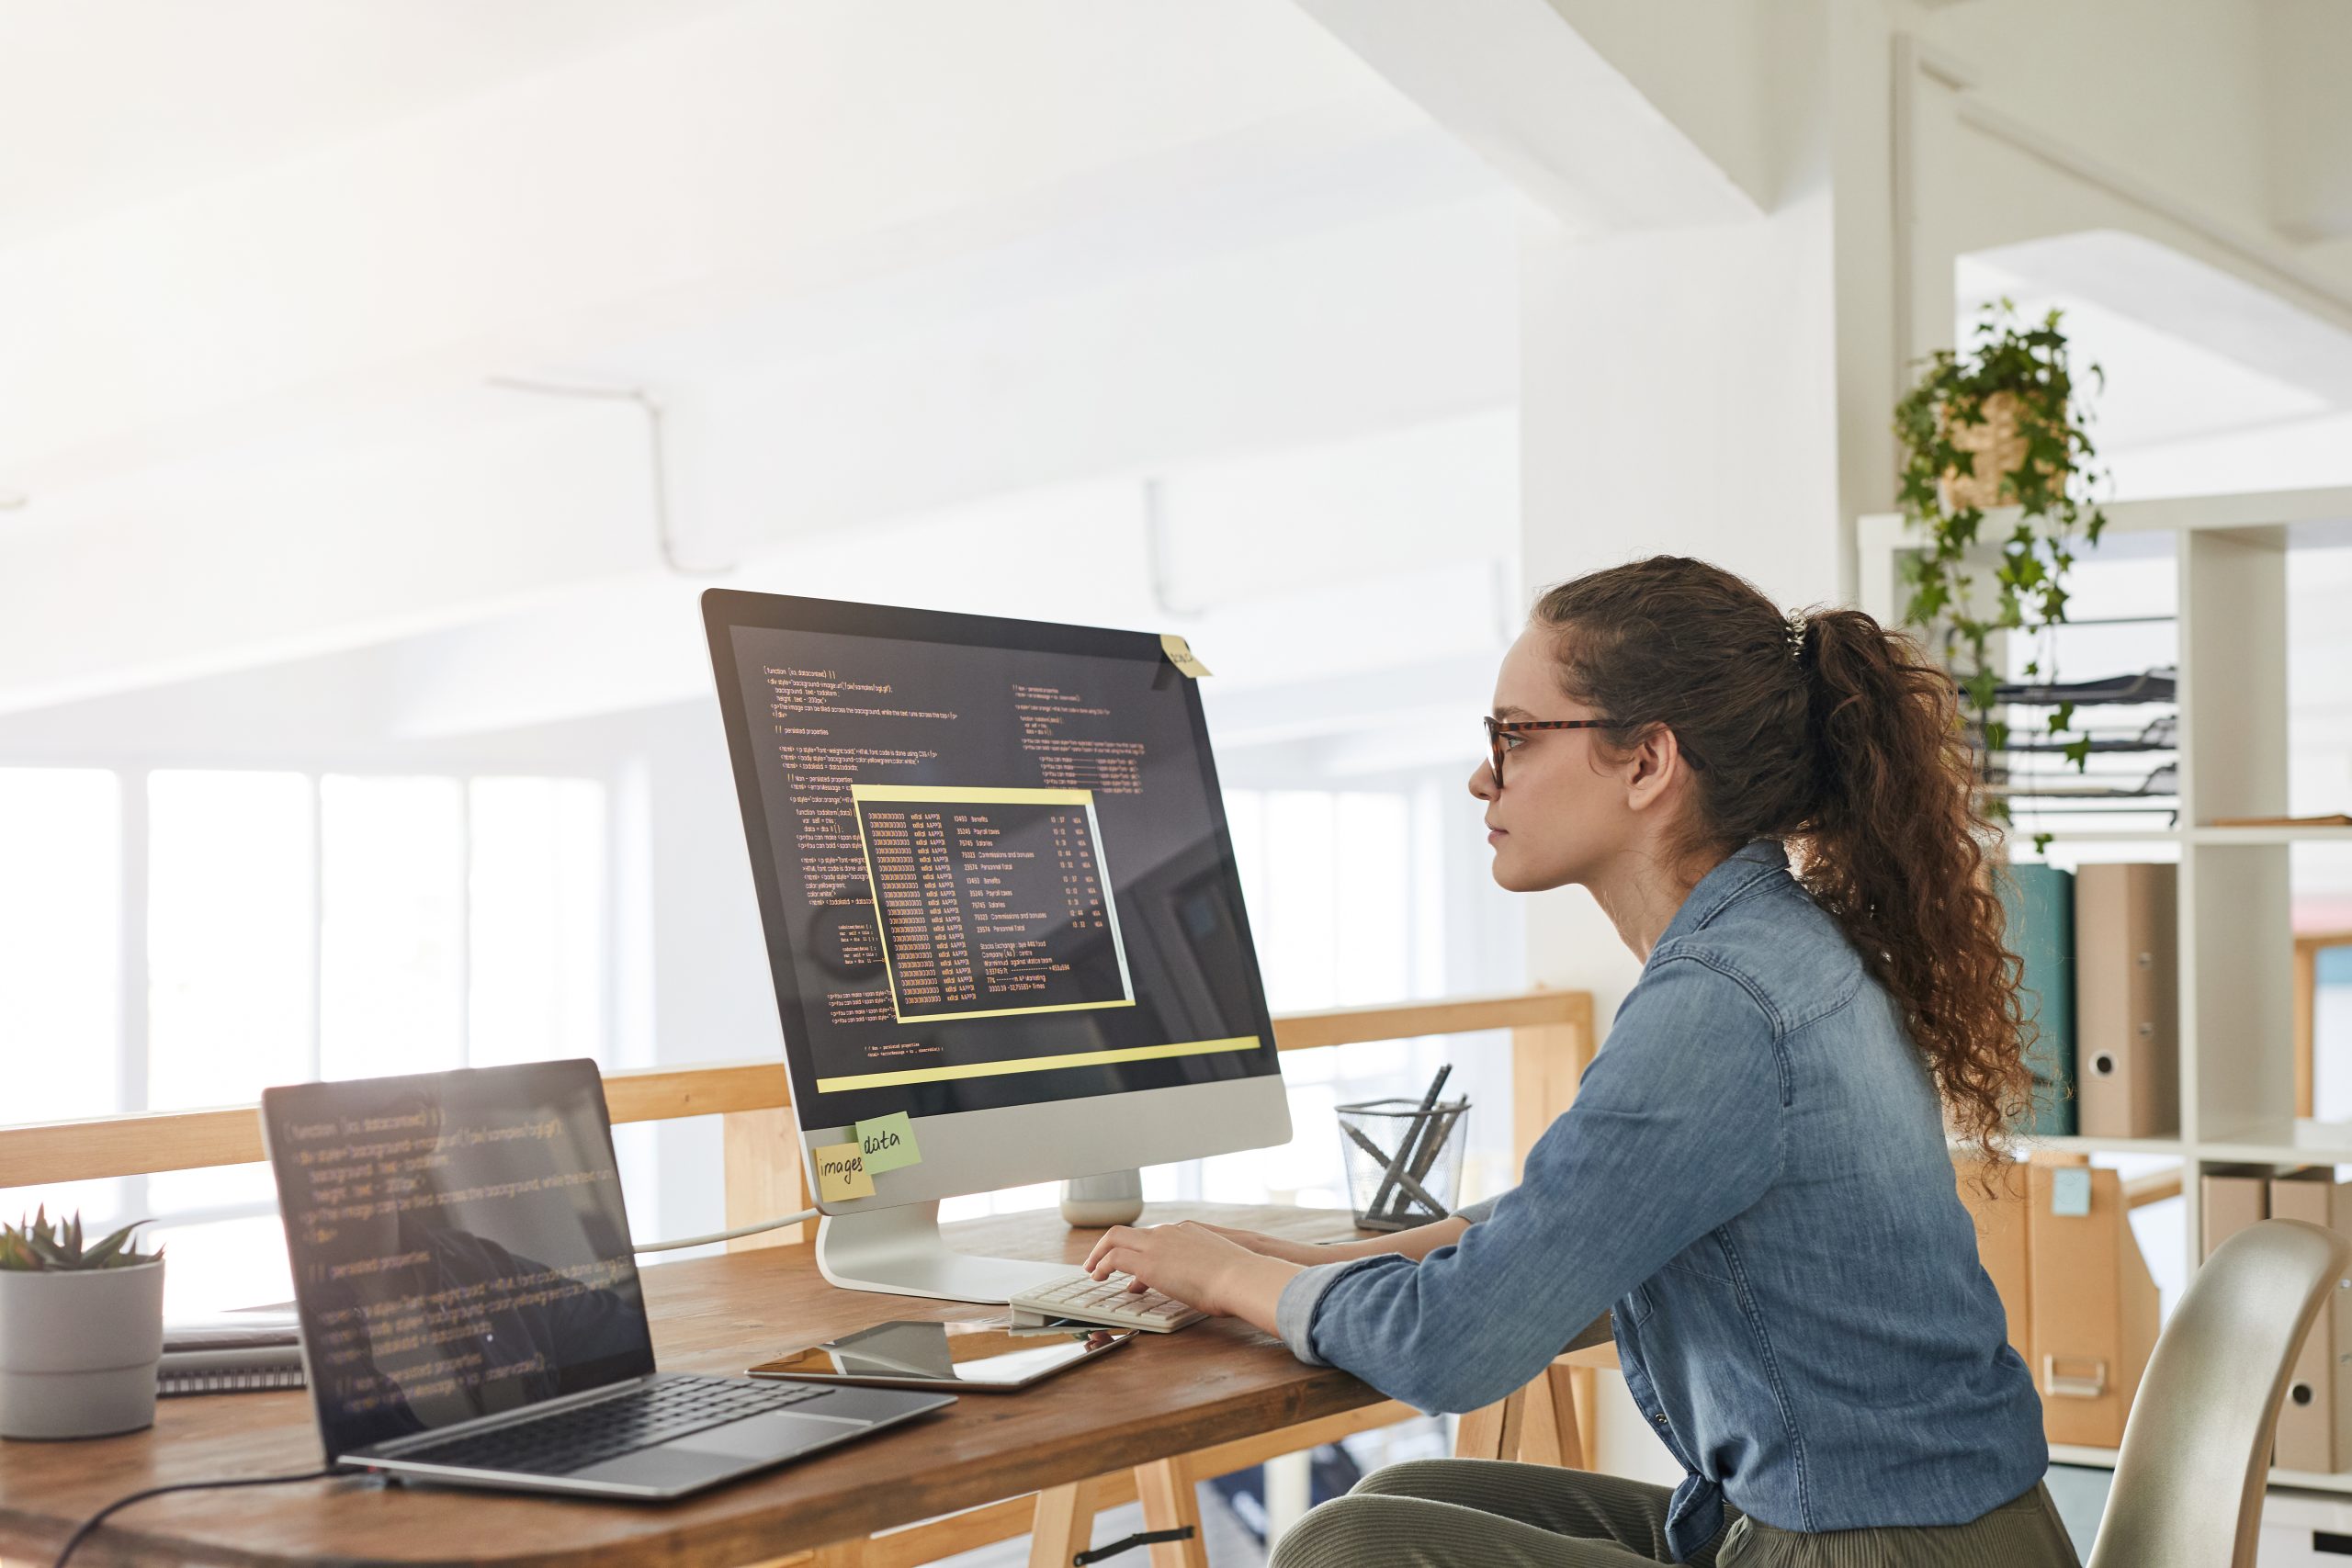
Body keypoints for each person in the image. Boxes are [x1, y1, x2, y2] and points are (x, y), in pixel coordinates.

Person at [1081, 556, 2076, 1566]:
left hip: (1879, 1551)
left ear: (1646, 763)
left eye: (1513, 737)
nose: (1483, 775)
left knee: (1357, 1549)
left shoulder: (1722, 1003)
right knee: (1402, 1497)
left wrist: (1226, 1275)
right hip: (1909, 1525)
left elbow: (1455, 1345)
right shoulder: (1762, 947)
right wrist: (1323, 1265)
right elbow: (1581, 1227)